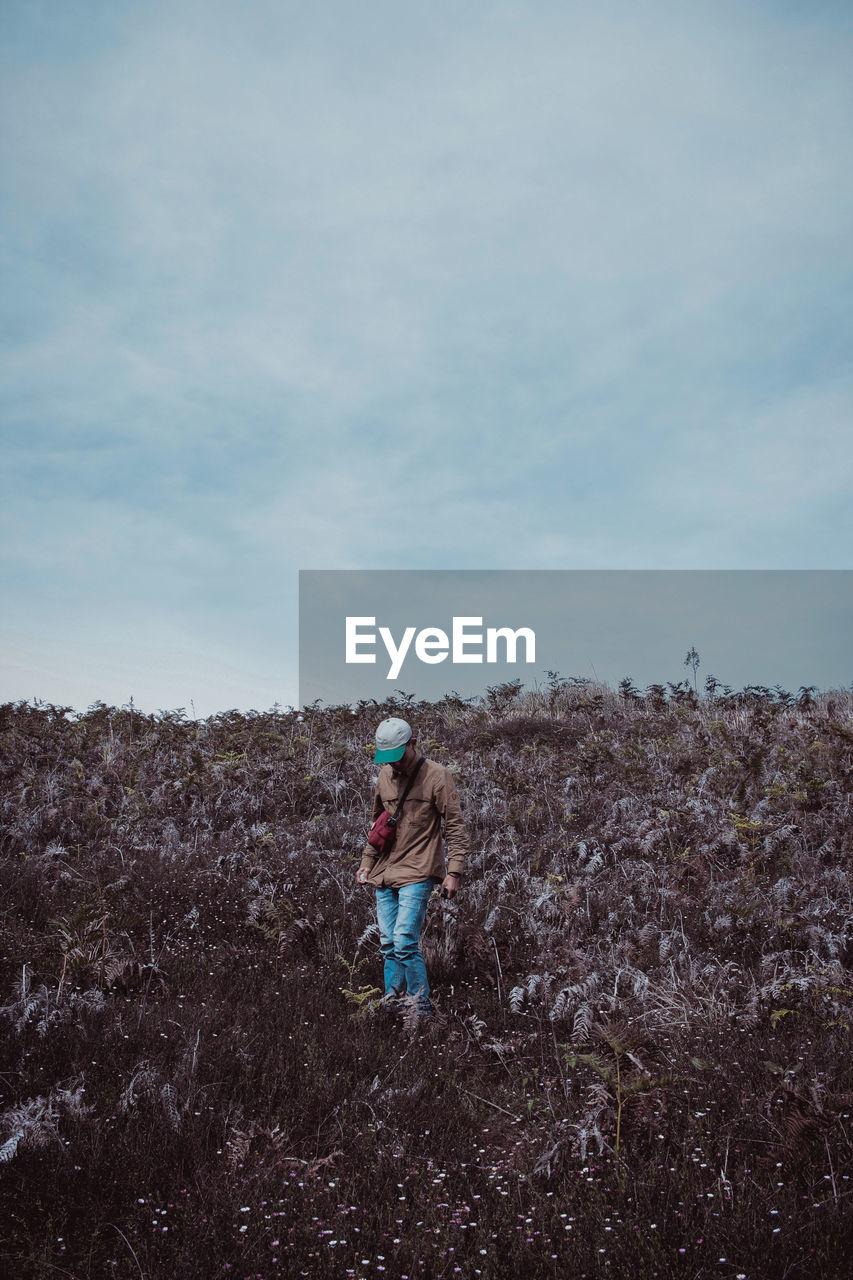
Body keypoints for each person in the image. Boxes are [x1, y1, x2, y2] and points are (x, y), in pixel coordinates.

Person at [356, 716, 467, 1014]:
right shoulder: (383, 777)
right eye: (387, 758)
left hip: (418, 871)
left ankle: (421, 1010)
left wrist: (453, 872)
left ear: (412, 744)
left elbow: (455, 826)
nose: (394, 764)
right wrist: (367, 862)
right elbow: (378, 826)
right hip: (383, 872)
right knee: (389, 944)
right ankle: (394, 1004)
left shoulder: (436, 776)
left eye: (398, 756)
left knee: (405, 941)